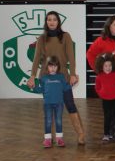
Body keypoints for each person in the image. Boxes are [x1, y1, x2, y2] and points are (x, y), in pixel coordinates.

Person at [28, 11, 85, 145]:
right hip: (46, 78)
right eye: (49, 20)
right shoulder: (42, 38)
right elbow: (36, 59)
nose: (52, 22)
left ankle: (81, 134)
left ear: (58, 22)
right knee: (50, 107)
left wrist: (72, 74)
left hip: (63, 77)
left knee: (70, 105)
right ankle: (50, 137)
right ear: (46, 22)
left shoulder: (65, 36)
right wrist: (32, 77)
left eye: (54, 20)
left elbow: (71, 57)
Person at [86, 15, 115, 141]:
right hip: (107, 80)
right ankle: (109, 132)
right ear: (109, 26)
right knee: (108, 108)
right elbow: (90, 54)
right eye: (114, 24)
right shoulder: (101, 40)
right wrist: (98, 70)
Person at [30, 56, 70, 148]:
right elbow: (41, 90)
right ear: (47, 67)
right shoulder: (43, 78)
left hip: (59, 103)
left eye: (55, 66)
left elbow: (65, 88)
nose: (53, 68)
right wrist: (33, 87)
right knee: (48, 121)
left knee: (58, 121)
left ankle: (59, 139)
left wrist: (72, 83)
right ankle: (47, 139)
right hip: (47, 103)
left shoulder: (61, 77)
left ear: (58, 67)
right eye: (51, 66)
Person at [94, 53, 115, 142]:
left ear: (113, 65)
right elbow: (97, 87)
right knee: (107, 117)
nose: (108, 68)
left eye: (110, 65)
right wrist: (101, 94)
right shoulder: (99, 77)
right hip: (106, 100)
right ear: (101, 66)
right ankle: (106, 134)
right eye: (106, 66)